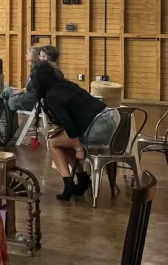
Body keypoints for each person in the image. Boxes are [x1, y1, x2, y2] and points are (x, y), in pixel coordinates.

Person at [33, 62, 118, 201]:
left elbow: (69, 125)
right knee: (65, 143)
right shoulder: (68, 85)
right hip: (109, 122)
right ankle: (82, 180)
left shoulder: (50, 96)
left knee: (53, 142)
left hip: (95, 129)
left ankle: (68, 184)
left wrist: (79, 148)